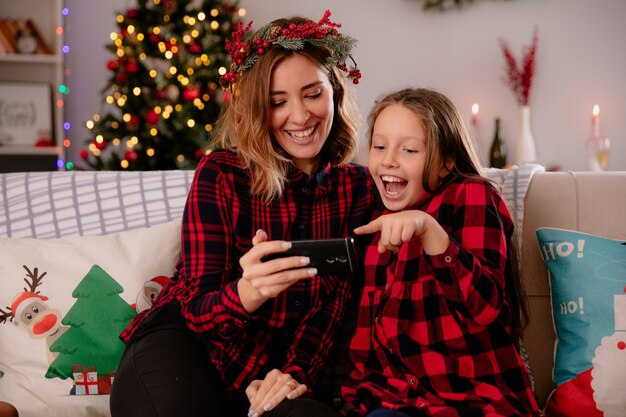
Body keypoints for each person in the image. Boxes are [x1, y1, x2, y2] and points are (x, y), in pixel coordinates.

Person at [109, 10, 374, 417]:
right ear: (256, 107)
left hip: (274, 371)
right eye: (277, 102)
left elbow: (332, 307)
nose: (301, 116)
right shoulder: (222, 174)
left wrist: (292, 374)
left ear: (335, 91)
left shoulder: (358, 187)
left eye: (313, 93)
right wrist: (249, 291)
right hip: (187, 348)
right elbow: (196, 310)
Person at [341, 88, 540, 417]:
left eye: (409, 150)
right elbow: (369, 343)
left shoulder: (471, 196)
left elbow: (487, 309)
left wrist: (430, 231)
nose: (388, 159)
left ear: (446, 161)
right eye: (379, 146)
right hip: (396, 401)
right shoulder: (376, 224)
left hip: (475, 400)